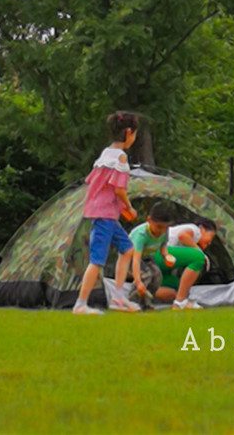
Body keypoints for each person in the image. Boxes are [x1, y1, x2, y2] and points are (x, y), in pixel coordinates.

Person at [73, 112, 142, 315]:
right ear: (128, 132)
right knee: (96, 261)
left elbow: (94, 182)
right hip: (105, 215)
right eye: (134, 134)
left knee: (127, 249)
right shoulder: (120, 157)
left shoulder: (106, 154)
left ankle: (118, 297)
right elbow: (119, 189)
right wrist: (129, 208)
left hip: (107, 214)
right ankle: (80, 304)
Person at [160, 216, 217, 310]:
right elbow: (182, 236)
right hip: (161, 251)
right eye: (211, 237)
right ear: (202, 229)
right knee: (198, 258)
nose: (210, 243)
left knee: (175, 284)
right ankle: (180, 302)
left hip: (155, 259)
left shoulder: (188, 242)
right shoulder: (195, 230)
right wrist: (201, 253)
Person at [129, 205, 173, 305]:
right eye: (159, 227)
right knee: (146, 274)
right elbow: (136, 260)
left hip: (147, 257)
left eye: (165, 228)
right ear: (149, 220)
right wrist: (138, 282)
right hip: (130, 258)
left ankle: (147, 301)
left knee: (157, 275)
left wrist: (166, 256)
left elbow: (163, 246)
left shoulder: (164, 232)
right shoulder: (141, 235)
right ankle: (133, 300)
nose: (161, 231)